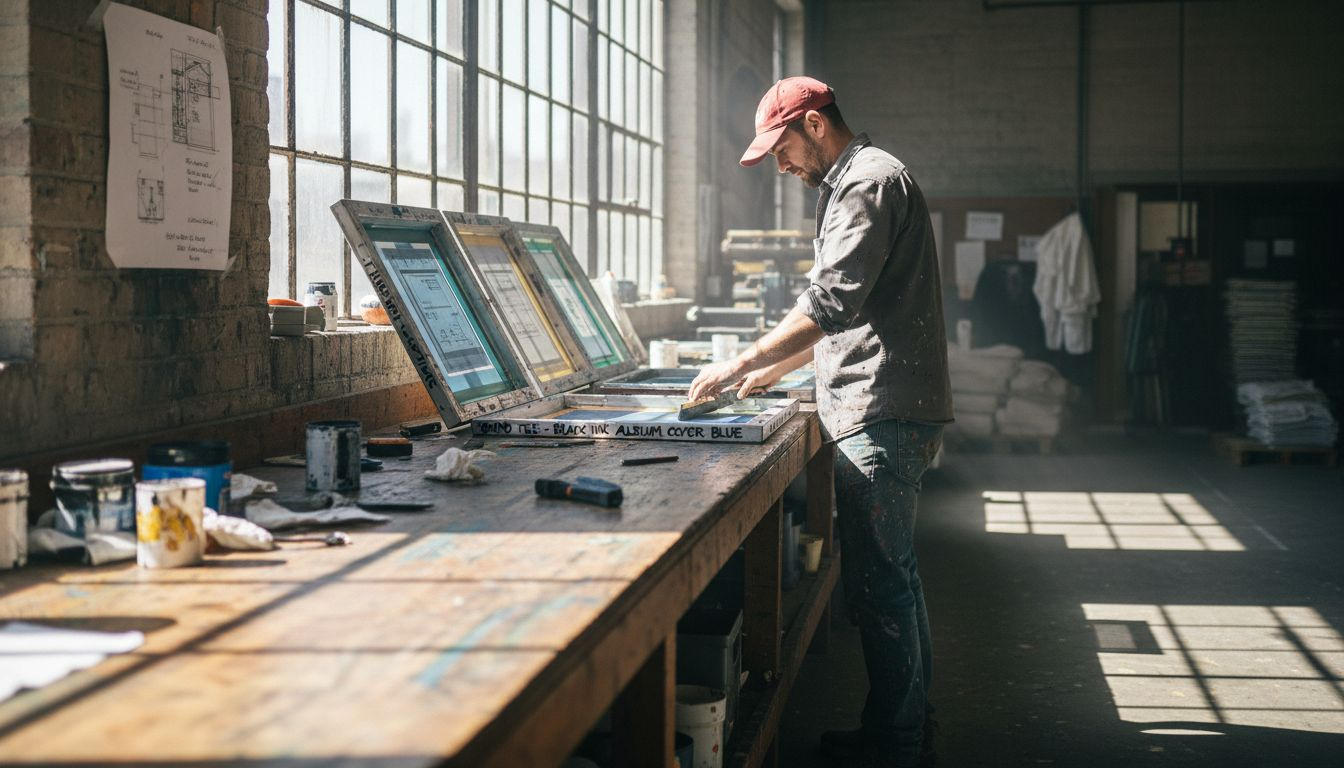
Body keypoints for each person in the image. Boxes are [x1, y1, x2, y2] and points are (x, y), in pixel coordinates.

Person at [687, 76, 952, 768]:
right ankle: (903, 726)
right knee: (897, 577)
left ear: (813, 123)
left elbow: (830, 303)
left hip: (882, 410)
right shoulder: (855, 182)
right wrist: (776, 367)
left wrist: (741, 359)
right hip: (887, 406)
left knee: (882, 586)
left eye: (781, 148)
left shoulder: (867, 184)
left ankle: (896, 745)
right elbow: (852, 310)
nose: (780, 165)